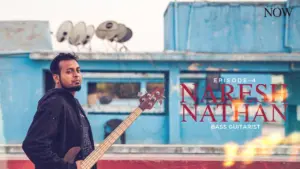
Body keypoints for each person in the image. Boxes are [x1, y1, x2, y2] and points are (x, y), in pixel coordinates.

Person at [22, 53, 97, 169]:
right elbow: (33, 145)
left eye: (78, 70)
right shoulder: (54, 102)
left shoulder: (74, 103)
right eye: (69, 71)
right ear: (56, 77)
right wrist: (69, 167)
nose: (76, 75)